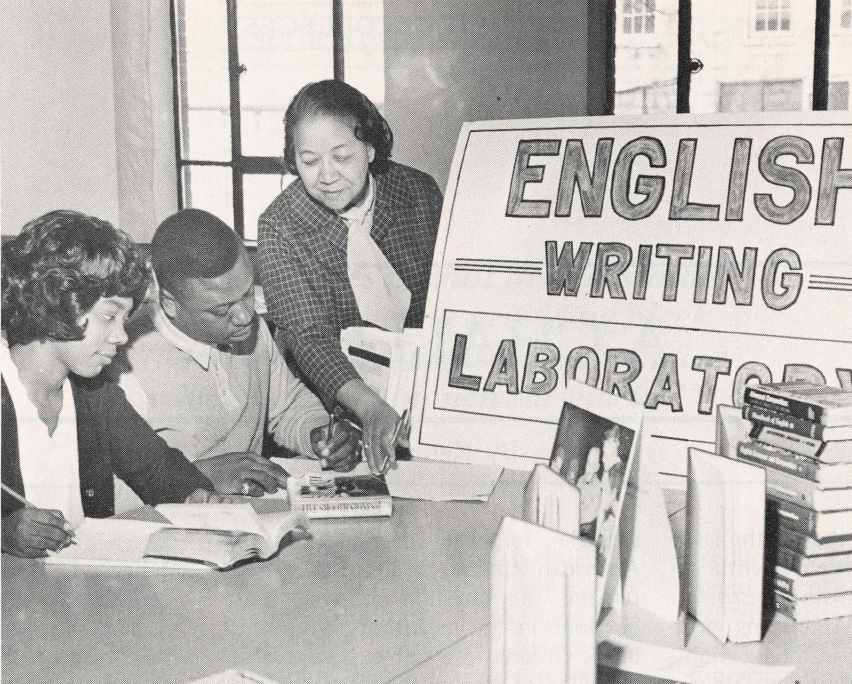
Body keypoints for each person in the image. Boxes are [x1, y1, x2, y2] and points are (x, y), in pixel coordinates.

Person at [1, 210, 226, 558]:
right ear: (57, 299)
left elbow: (157, 469)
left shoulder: (94, 394)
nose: (121, 336)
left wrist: (195, 495)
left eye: (125, 319)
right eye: (109, 315)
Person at [258, 79, 443, 475]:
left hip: (428, 400)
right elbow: (309, 337)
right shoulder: (280, 226)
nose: (327, 175)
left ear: (371, 148)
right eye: (309, 162)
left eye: (342, 156)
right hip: (337, 416)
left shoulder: (418, 193)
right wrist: (369, 406)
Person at [111, 209, 360, 498]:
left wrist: (319, 435)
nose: (245, 315)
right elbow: (111, 493)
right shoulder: (121, 362)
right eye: (221, 309)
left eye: (247, 293)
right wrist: (195, 476)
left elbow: (287, 405)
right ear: (170, 303)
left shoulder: (248, 329)